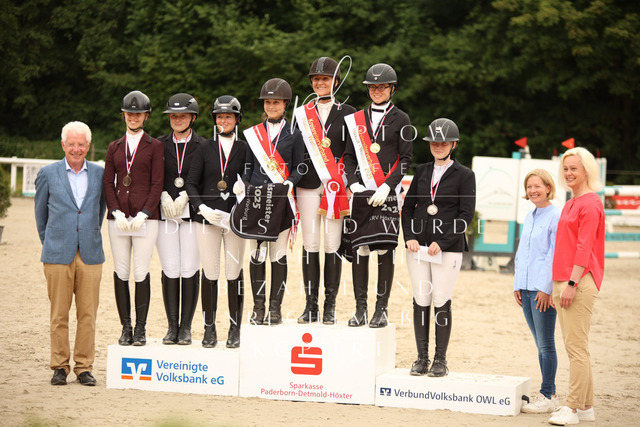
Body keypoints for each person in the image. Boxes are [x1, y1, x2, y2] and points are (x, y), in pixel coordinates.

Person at [402, 118, 475, 377]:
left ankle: (440, 360)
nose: (438, 146)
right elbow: (408, 208)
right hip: (418, 248)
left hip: (447, 248)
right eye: (434, 142)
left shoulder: (465, 175)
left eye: (443, 143)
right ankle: (421, 358)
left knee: (441, 299)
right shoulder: (421, 171)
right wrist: (410, 236)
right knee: (421, 299)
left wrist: (441, 242)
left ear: (453, 144)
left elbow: (466, 215)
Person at [35, 121, 106, 386]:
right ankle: (59, 366)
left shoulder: (99, 174)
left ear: (89, 145)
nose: (76, 149)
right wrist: (51, 242)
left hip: (90, 254)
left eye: (81, 144)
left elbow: (100, 210)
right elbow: (40, 215)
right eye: (72, 144)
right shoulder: (47, 173)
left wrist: (87, 234)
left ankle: (84, 367)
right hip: (56, 254)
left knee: (88, 315)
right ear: (63, 144)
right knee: (59, 314)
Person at [343, 63, 413, 328]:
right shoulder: (357, 120)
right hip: (362, 193)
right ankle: (360, 308)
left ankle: (381, 309)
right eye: (373, 87)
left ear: (392, 89)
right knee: (360, 248)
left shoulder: (401, 119)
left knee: (384, 248)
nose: (377, 90)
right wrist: (353, 184)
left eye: (382, 87)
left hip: (388, 193)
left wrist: (388, 186)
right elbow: (349, 156)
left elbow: (406, 159)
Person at [294, 57, 356, 324]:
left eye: (325, 79)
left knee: (332, 243)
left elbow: (354, 151)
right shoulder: (301, 113)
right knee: (310, 243)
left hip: (336, 186)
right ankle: (311, 305)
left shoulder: (349, 112)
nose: (320, 83)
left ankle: (330, 306)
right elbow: (294, 148)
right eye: (316, 79)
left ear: (336, 81)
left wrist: (350, 181)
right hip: (307, 184)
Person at [238, 78, 304, 325]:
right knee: (257, 253)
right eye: (268, 102)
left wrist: (290, 182)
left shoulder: (294, 134)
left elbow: (300, 166)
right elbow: (248, 165)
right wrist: (246, 184)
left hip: (280, 200)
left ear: (285, 104)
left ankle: (275, 309)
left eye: (276, 102)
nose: (271, 106)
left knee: (277, 254)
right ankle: (258, 307)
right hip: (256, 199)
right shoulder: (254, 134)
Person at [548, 147, 604, 426]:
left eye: (574, 169)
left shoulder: (590, 203)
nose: (569, 173)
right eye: (566, 168)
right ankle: (585, 407)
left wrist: (571, 283)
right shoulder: (572, 202)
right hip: (564, 280)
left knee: (576, 350)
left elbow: (584, 247)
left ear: (587, 171)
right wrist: (557, 284)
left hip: (578, 281)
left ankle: (571, 408)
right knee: (576, 347)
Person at [186, 95, 248, 348]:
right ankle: (209, 328)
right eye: (220, 116)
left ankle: (235, 329)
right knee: (210, 272)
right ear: (215, 119)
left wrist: (245, 186)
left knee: (233, 272)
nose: (224, 120)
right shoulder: (204, 148)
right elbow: (191, 183)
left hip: (235, 219)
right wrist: (201, 208)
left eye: (228, 116)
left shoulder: (245, 148)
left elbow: (252, 175)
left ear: (237, 119)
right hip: (208, 219)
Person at [104, 90, 164, 346]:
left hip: (145, 219)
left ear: (146, 116)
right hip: (118, 219)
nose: (133, 117)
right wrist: (115, 210)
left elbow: (157, 183)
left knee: (141, 272)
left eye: (138, 114)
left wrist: (145, 212)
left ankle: (140, 328)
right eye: (129, 113)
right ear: (124, 115)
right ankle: (125, 327)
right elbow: (108, 182)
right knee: (121, 271)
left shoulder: (155, 146)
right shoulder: (114, 147)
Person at [156, 93, 203, 345]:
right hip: (166, 214)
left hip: (191, 214)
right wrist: (163, 193)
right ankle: (172, 326)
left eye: (183, 116)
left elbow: (206, 177)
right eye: (173, 116)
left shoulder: (203, 145)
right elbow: (154, 175)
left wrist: (188, 195)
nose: (177, 119)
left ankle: (186, 327)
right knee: (170, 268)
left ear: (192, 118)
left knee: (189, 268)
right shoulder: (158, 144)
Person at [513, 169, 561, 413]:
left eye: (537, 186)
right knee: (539, 343)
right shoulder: (529, 216)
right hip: (526, 288)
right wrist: (517, 284)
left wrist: (545, 288)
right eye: (529, 187)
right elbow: (523, 252)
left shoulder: (556, 215)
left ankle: (548, 394)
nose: (533, 191)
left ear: (548, 188)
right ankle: (549, 393)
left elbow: (554, 254)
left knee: (546, 344)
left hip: (542, 290)